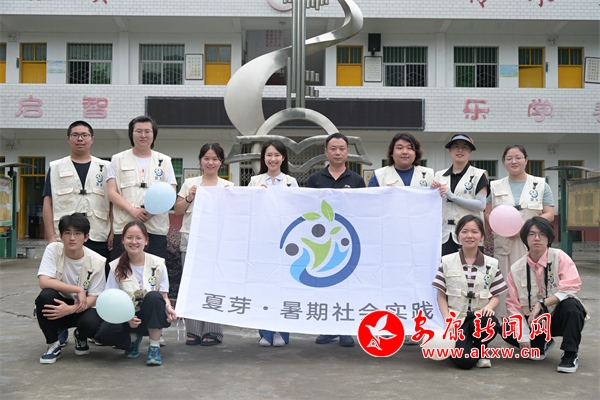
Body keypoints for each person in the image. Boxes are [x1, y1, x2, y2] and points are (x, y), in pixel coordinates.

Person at [41, 120, 112, 347]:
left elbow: (111, 201)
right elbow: (48, 202)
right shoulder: (56, 167)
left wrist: (112, 231)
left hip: (97, 235)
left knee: (95, 285)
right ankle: (60, 327)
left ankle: (86, 329)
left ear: (92, 139)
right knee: (59, 280)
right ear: (68, 139)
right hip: (66, 236)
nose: (80, 138)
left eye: (84, 134)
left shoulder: (105, 167)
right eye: (75, 134)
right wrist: (51, 236)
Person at [503, 217, 588, 373]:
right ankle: (541, 343)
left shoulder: (559, 257)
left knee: (572, 306)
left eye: (542, 234)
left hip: (557, 318)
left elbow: (571, 287)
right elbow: (513, 306)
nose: (537, 238)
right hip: (534, 322)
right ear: (525, 238)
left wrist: (541, 303)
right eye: (532, 234)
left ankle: (570, 354)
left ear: (549, 238)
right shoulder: (516, 269)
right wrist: (523, 336)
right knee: (505, 327)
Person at [306, 132, 365, 347]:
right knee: (325, 284)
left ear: (347, 152)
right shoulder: (315, 179)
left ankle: (345, 330)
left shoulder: (357, 180)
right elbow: (306, 207)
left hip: (348, 240)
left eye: (341, 148)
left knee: (346, 285)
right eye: (333, 148)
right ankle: (328, 329)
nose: (337, 152)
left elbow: (364, 210)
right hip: (322, 241)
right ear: (326, 152)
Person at [174, 143, 234, 346]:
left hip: (217, 245)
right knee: (191, 285)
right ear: (200, 160)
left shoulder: (228, 186)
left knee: (214, 285)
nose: (210, 162)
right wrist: (189, 197)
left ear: (221, 162)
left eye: (215, 159)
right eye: (207, 158)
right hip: (191, 242)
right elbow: (178, 210)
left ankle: (213, 331)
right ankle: (193, 330)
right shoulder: (190, 183)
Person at [485, 144, 554, 318]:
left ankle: (533, 319)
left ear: (526, 160)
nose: (513, 161)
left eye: (518, 158)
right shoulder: (494, 186)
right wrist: (504, 227)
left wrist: (525, 227)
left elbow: (549, 213)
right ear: (504, 162)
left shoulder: (540, 184)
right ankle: (505, 322)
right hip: (504, 243)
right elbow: (488, 213)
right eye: (509, 158)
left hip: (532, 242)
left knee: (532, 281)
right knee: (503, 282)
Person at [95, 221, 177, 366]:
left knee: (153, 296)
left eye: (138, 238)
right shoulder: (115, 266)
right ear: (122, 240)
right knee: (104, 334)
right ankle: (133, 339)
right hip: (127, 317)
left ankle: (154, 347)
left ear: (146, 241)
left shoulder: (158, 263)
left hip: (151, 315)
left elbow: (163, 296)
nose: (134, 242)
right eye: (129, 237)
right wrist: (126, 317)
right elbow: (111, 299)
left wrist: (168, 308)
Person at [432, 215, 507, 369]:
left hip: (478, 318)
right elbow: (441, 295)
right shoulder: (446, 261)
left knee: (490, 322)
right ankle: (464, 347)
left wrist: (489, 307)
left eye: (474, 232)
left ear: (482, 236)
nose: (469, 236)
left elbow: (496, 296)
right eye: (464, 231)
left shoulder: (492, 264)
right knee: (465, 362)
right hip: (456, 318)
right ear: (458, 235)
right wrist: (447, 319)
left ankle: (481, 348)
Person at [35, 213, 106, 364]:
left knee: (93, 322)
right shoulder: (53, 249)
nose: (72, 238)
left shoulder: (97, 261)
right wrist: (78, 289)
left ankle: (81, 336)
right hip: (59, 303)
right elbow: (44, 281)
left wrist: (70, 309)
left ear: (86, 237)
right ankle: (53, 344)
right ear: (60, 236)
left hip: (81, 307)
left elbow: (95, 297)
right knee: (45, 297)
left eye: (77, 233)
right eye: (67, 233)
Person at [247, 139, 297, 347]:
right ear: (263, 158)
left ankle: (281, 333)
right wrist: (256, 195)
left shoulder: (291, 182)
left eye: (277, 155)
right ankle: (265, 333)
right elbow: (247, 209)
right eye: (269, 155)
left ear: (283, 158)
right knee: (263, 287)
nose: (273, 159)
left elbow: (297, 210)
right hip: (262, 242)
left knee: (283, 287)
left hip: (285, 243)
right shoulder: (254, 181)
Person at [107, 115, 176, 262]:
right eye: (138, 131)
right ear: (131, 134)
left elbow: (171, 192)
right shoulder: (117, 159)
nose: (143, 135)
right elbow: (112, 192)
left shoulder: (164, 161)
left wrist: (150, 212)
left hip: (155, 228)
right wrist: (132, 210)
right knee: (123, 270)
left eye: (147, 131)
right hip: (125, 228)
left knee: (154, 269)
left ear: (153, 134)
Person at [431, 134, 488, 256]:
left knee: (470, 267)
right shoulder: (439, 175)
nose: (460, 150)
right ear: (449, 150)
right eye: (456, 147)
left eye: (465, 147)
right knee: (445, 266)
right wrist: (432, 190)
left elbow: (481, 205)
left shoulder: (478, 175)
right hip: (445, 234)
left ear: (470, 152)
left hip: (470, 234)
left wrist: (453, 197)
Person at [368, 132, 434, 188]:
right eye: (400, 148)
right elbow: (370, 198)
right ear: (392, 153)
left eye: (409, 148)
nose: (405, 152)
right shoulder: (379, 175)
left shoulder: (429, 174)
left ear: (416, 153)